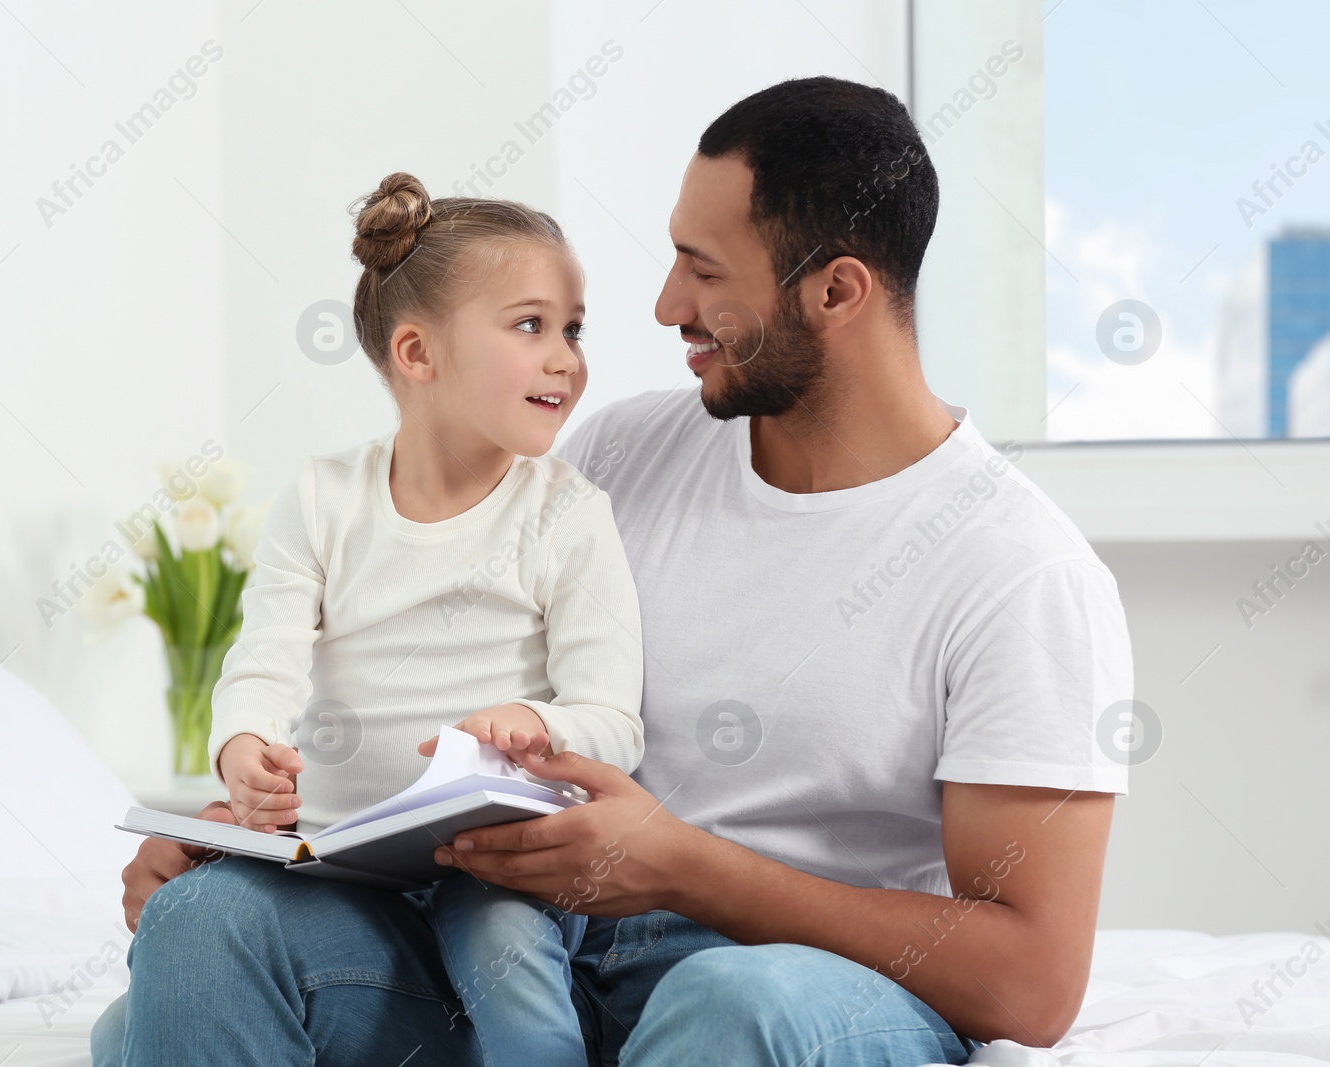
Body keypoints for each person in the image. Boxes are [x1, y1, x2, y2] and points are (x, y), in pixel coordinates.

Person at [94, 76, 1131, 1067]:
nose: (664, 303)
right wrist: (244, 840)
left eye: (704, 269)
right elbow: (426, 695)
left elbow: (1031, 982)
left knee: (727, 1004)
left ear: (834, 290)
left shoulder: (1016, 571)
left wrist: (681, 865)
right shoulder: (619, 458)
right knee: (210, 926)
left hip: (791, 991)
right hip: (532, 959)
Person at [196, 170, 643, 1067]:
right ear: (417, 352)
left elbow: (617, 724)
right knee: (170, 964)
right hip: (344, 860)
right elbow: (264, 659)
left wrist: (537, 726)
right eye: (531, 325)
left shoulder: (568, 512)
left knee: (500, 944)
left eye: (574, 327)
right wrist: (242, 748)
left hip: (502, 856)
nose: (566, 355)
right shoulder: (326, 497)